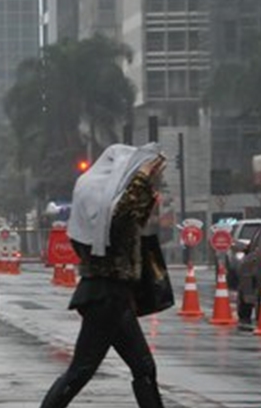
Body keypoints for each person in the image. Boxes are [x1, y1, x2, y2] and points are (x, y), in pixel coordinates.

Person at [40, 143, 167, 408]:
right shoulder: (106, 216)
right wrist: (141, 178)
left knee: (143, 367)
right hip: (106, 297)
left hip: (113, 296)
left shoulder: (93, 219)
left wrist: (147, 183)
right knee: (81, 370)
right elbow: (123, 218)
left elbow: (134, 219)